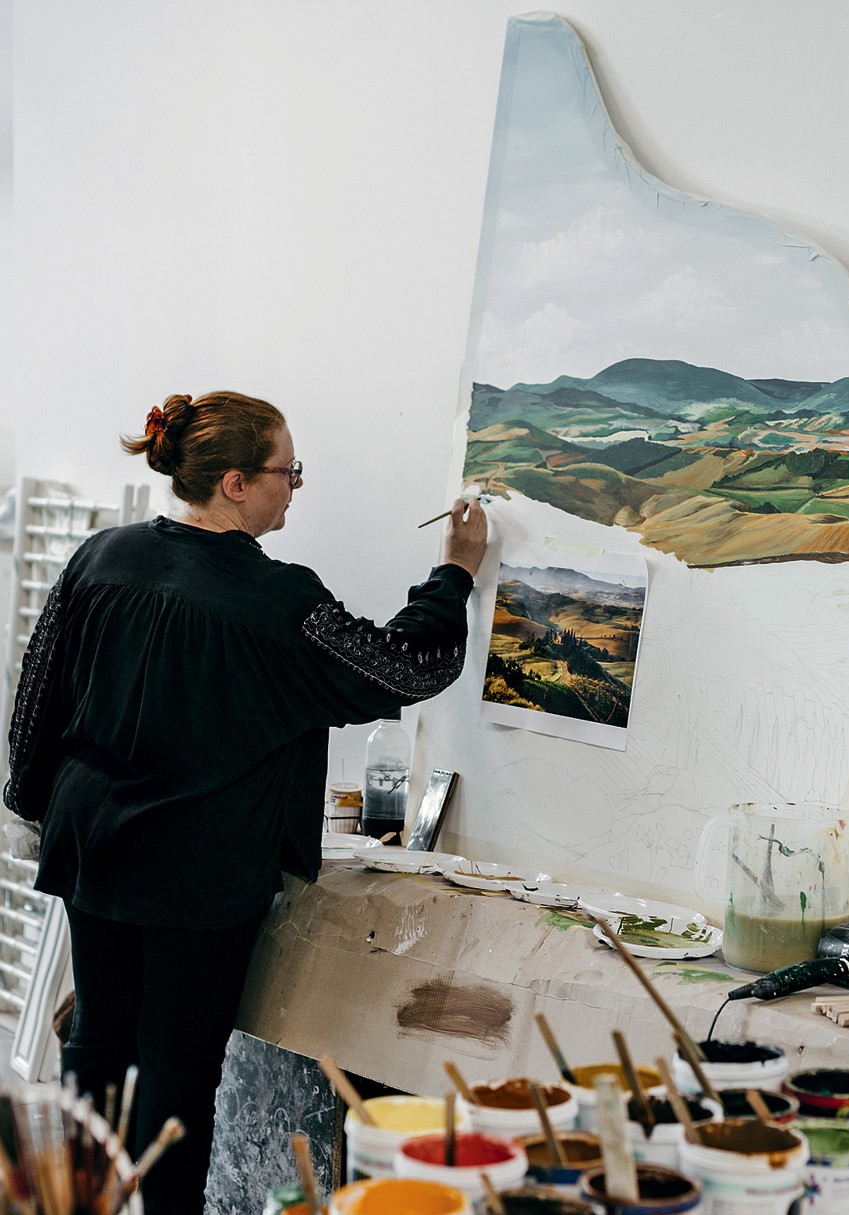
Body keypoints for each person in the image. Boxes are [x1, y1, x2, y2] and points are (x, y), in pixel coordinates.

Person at [2, 390, 487, 1214]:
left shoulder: (102, 557)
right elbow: (404, 666)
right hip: (200, 875)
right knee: (176, 1074)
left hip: (96, 850)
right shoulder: (275, 600)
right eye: (286, 471)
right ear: (234, 482)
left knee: (97, 1048)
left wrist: (41, 808)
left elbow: (35, 702)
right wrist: (457, 572)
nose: (295, 485)